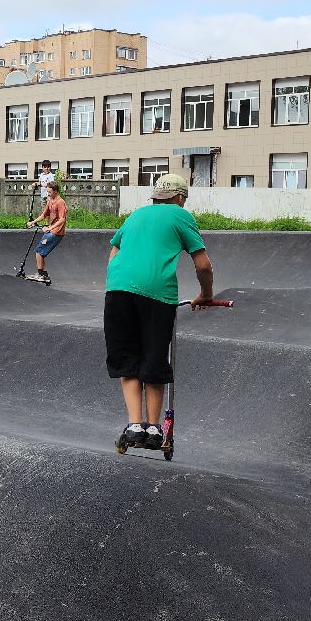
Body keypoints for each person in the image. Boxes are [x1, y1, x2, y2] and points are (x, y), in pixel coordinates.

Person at [103, 172, 213, 451]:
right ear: (179, 197)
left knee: (128, 357)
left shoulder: (136, 215)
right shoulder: (179, 215)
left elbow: (114, 252)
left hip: (117, 289)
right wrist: (206, 295)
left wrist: (122, 280)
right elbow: (203, 265)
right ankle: (153, 429)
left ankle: (135, 425)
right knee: (153, 357)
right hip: (157, 293)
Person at [27, 179, 68, 282]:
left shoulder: (60, 202)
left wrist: (49, 228)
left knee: (39, 251)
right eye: (47, 192)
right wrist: (33, 222)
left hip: (56, 232)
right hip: (51, 231)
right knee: (40, 253)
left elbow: (62, 219)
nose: (48, 194)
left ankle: (41, 275)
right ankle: (44, 275)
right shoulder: (50, 201)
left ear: (55, 191)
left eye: (50, 192)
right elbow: (44, 215)